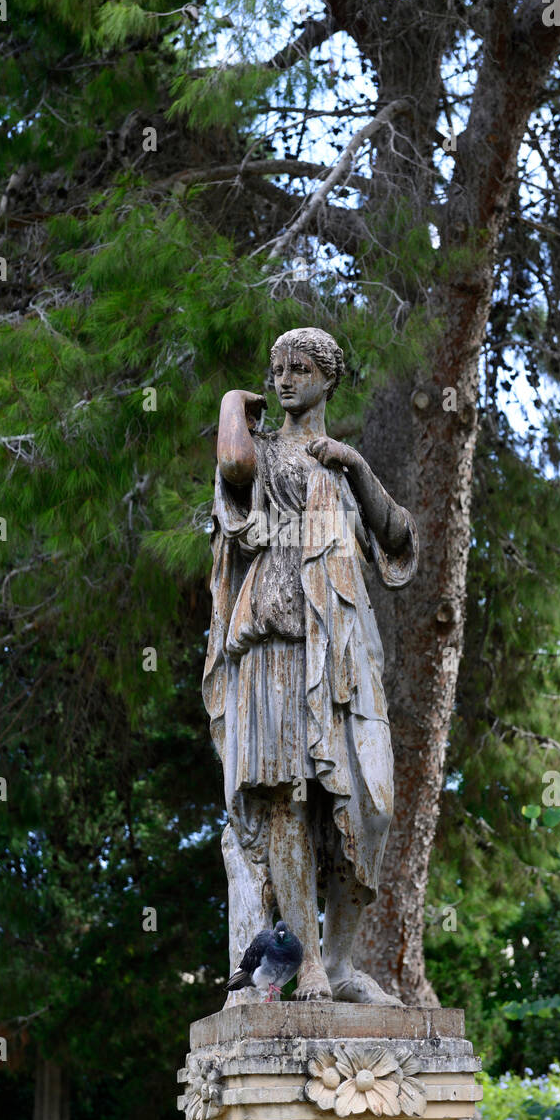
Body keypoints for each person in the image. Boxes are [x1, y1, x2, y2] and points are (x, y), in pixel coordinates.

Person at [203, 327, 418, 1004]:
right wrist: (233, 403)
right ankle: (310, 967)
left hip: (346, 641)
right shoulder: (263, 452)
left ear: (329, 378)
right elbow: (235, 473)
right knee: (285, 798)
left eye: (300, 369)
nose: (285, 379)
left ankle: (343, 959)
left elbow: (397, 537)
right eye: (277, 370)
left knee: (371, 801)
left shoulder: (344, 464)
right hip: (276, 634)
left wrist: (354, 465)